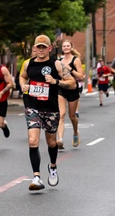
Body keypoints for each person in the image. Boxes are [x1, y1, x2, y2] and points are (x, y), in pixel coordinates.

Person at [19, 35, 76, 191]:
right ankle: (36, 176)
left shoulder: (56, 65)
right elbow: (22, 77)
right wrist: (23, 85)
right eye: (39, 47)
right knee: (32, 141)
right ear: (35, 48)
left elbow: (72, 83)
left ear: (50, 48)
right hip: (32, 106)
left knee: (51, 142)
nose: (41, 49)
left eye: (44, 47)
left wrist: (55, 82)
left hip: (50, 109)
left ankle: (52, 166)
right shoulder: (28, 64)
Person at [56, 41, 84, 147]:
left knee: (72, 116)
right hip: (62, 88)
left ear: (71, 47)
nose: (66, 47)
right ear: (62, 48)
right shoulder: (59, 61)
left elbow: (81, 76)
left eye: (68, 46)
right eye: (64, 46)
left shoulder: (75, 60)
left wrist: (70, 69)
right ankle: (60, 139)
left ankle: (76, 133)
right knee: (61, 114)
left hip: (72, 89)